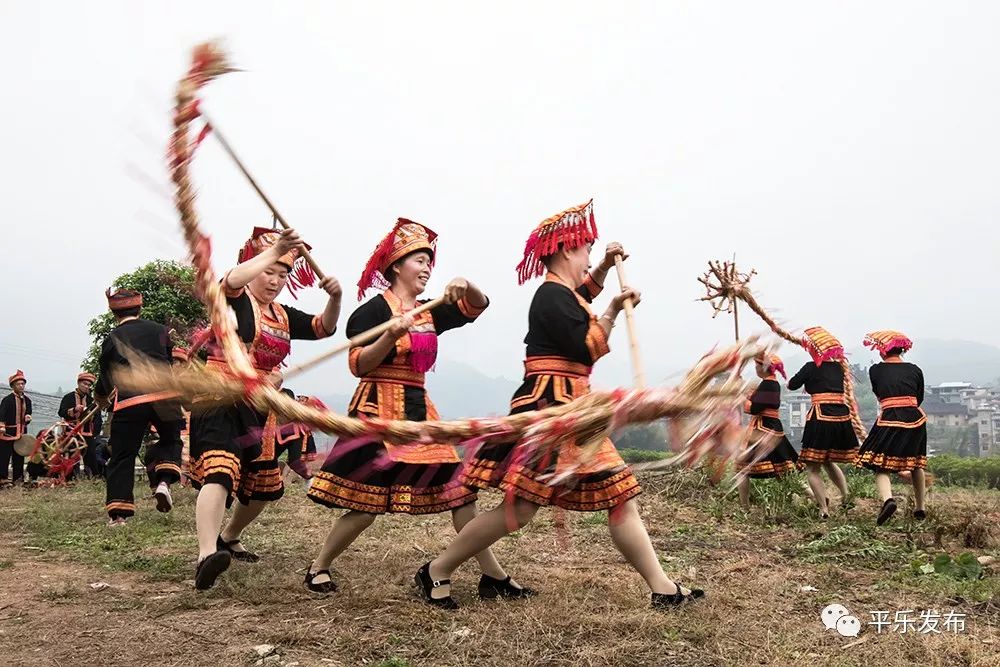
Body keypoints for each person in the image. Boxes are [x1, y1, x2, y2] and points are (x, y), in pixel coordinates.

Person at [418, 200, 704, 610]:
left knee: (619, 496)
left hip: (574, 409)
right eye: (587, 249)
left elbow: (582, 298)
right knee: (520, 509)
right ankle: (438, 569)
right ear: (567, 250)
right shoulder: (550, 296)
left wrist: (605, 267)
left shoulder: (562, 294)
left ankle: (662, 588)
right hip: (551, 408)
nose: (590, 257)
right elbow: (585, 346)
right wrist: (611, 312)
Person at [305, 218, 524, 598]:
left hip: (420, 410)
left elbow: (478, 305)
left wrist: (464, 283)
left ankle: (494, 577)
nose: (426, 269)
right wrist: (389, 335)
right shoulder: (370, 313)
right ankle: (318, 566)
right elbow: (359, 365)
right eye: (419, 260)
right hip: (376, 413)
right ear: (396, 267)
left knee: (460, 496)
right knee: (366, 505)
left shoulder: (430, 310)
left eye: (430, 263)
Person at [187, 226, 341, 590]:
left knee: (263, 487)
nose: (274, 280)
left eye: (283, 274)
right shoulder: (235, 299)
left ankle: (229, 536)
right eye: (268, 271)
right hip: (220, 397)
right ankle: (206, 555)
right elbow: (229, 280)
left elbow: (324, 328)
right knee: (220, 471)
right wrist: (275, 252)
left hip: (260, 406)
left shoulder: (283, 316)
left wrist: (335, 298)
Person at [94, 289, 184, 525]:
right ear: (139, 308)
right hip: (166, 395)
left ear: (114, 313)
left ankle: (119, 515)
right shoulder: (161, 331)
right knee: (171, 440)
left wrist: (101, 395)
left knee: (123, 455)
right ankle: (163, 481)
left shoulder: (112, 338)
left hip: (131, 400)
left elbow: (106, 374)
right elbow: (169, 359)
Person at [787, 327, 861, 518]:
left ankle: (823, 508)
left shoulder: (811, 367)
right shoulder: (839, 368)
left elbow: (792, 384)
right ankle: (846, 498)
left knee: (813, 467)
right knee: (828, 461)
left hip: (820, 417)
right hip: (841, 417)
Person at [856, 331, 928, 525]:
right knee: (916, 463)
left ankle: (888, 500)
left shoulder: (876, 370)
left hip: (890, 418)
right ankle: (920, 508)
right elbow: (919, 397)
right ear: (902, 350)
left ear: (882, 351)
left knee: (880, 465)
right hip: (916, 419)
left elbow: (879, 392)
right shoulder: (915, 369)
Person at [736, 353, 801, 509]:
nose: (756, 368)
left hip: (763, 429)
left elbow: (755, 407)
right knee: (783, 471)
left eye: (757, 365)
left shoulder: (767, 385)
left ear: (764, 368)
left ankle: (744, 507)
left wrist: (742, 399)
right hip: (772, 428)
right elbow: (758, 399)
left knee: (741, 468)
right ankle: (813, 498)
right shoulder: (772, 384)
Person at [58, 372, 103, 478]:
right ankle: (70, 479)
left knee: (90, 456)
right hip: (71, 432)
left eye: (89, 385)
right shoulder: (68, 397)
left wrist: (95, 433)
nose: (86, 386)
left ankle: (93, 478)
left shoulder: (91, 401)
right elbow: (61, 412)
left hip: (87, 433)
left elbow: (98, 419)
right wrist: (74, 410)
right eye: (84, 384)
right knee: (71, 456)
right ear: (78, 383)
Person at [0, 370, 32, 487]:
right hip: (7, 432)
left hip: (21, 433)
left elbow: (28, 413)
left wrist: (28, 417)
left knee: (19, 455)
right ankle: (2, 479)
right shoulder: (7, 400)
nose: (21, 386)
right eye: (18, 384)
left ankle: (18, 478)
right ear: (13, 386)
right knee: (4, 456)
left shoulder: (28, 400)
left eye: (23, 384)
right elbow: (1, 415)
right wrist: (2, 426)